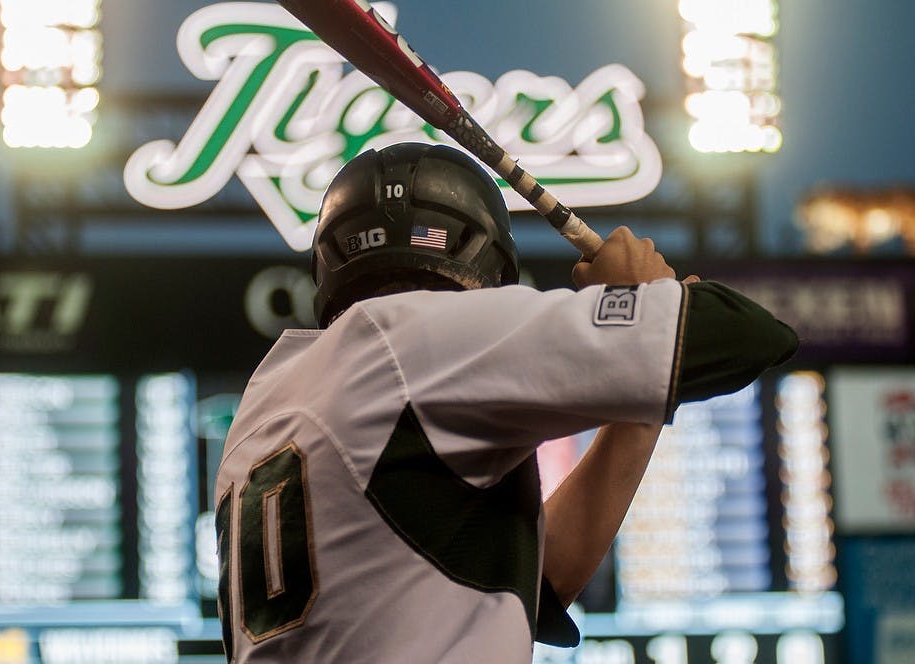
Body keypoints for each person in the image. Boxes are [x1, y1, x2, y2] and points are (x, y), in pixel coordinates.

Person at [214, 142, 798, 663]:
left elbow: (536, 588)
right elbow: (746, 334)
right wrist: (647, 299)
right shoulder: (416, 338)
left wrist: (637, 397)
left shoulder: (269, 398)